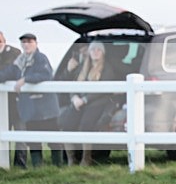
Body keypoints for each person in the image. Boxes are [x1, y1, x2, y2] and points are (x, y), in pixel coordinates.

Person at [0, 33, 62, 167]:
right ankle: (38, 169)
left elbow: (45, 74)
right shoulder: (20, 61)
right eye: (24, 42)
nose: (26, 45)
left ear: (36, 43)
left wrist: (25, 79)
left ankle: (59, 167)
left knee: (53, 140)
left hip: (45, 108)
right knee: (34, 141)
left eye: (29, 42)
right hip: (31, 109)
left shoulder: (41, 58)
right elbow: (8, 73)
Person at [57, 42, 121, 165]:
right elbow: (73, 84)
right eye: (93, 50)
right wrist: (74, 97)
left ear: (103, 53)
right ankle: (71, 159)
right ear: (89, 52)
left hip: (97, 103)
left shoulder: (107, 68)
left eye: (98, 50)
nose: (95, 52)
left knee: (85, 126)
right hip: (78, 102)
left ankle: (86, 158)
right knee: (66, 125)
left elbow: (102, 90)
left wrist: (85, 100)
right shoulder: (82, 67)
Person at [0, 31, 27, 167]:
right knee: (3, 133)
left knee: (20, 132)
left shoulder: (14, 53)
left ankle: (20, 165)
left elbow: (7, 72)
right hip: (2, 104)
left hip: (18, 101)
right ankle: (3, 164)